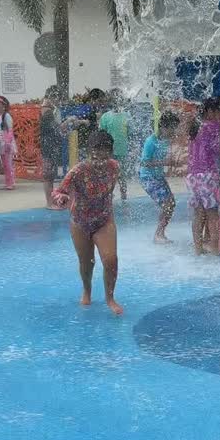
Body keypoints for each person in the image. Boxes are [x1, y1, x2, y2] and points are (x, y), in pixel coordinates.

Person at [53, 130, 123, 315]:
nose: (101, 154)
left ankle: (110, 298)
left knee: (111, 259)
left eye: (105, 149)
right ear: (89, 150)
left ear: (111, 151)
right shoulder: (78, 171)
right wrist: (61, 198)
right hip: (80, 222)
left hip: (104, 220)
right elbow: (59, 191)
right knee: (87, 263)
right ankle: (87, 290)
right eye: (97, 149)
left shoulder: (114, 167)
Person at [187, 97, 220, 254]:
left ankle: (198, 248)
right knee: (212, 213)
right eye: (219, 110)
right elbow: (217, 149)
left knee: (198, 213)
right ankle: (215, 249)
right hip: (207, 176)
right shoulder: (213, 126)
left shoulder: (196, 126)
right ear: (210, 111)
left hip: (192, 176)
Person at [139, 111, 180, 244]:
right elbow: (144, 162)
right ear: (164, 127)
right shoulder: (151, 141)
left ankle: (160, 233)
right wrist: (165, 163)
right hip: (148, 177)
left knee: (171, 204)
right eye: (173, 128)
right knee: (167, 204)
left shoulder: (166, 140)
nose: (174, 131)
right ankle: (158, 234)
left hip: (158, 176)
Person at [99, 94, 132, 200]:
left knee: (122, 175)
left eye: (118, 101)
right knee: (109, 175)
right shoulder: (105, 117)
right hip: (109, 152)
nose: (116, 104)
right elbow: (101, 134)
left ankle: (124, 195)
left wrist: (132, 149)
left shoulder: (127, 116)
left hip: (122, 151)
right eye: (114, 102)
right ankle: (108, 195)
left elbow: (130, 134)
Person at [40, 100, 62, 207]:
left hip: (50, 150)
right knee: (48, 177)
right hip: (48, 151)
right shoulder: (47, 117)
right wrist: (68, 122)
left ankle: (50, 201)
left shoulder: (46, 117)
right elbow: (58, 128)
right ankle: (49, 203)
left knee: (50, 177)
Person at [0, 96, 16, 190]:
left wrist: (8, 142)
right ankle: (8, 181)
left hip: (7, 142)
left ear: (3, 106)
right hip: (0, 143)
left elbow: (10, 130)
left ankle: (11, 182)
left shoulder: (6, 116)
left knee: (8, 163)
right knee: (3, 163)